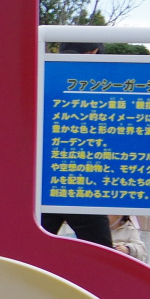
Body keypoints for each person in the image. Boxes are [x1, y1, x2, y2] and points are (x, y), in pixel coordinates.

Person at [40, 41, 113, 247]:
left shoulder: (41, 72)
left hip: (42, 180)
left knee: (24, 254)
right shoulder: (102, 81)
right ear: (94, 52)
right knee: (102, 257)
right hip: (83, 182)